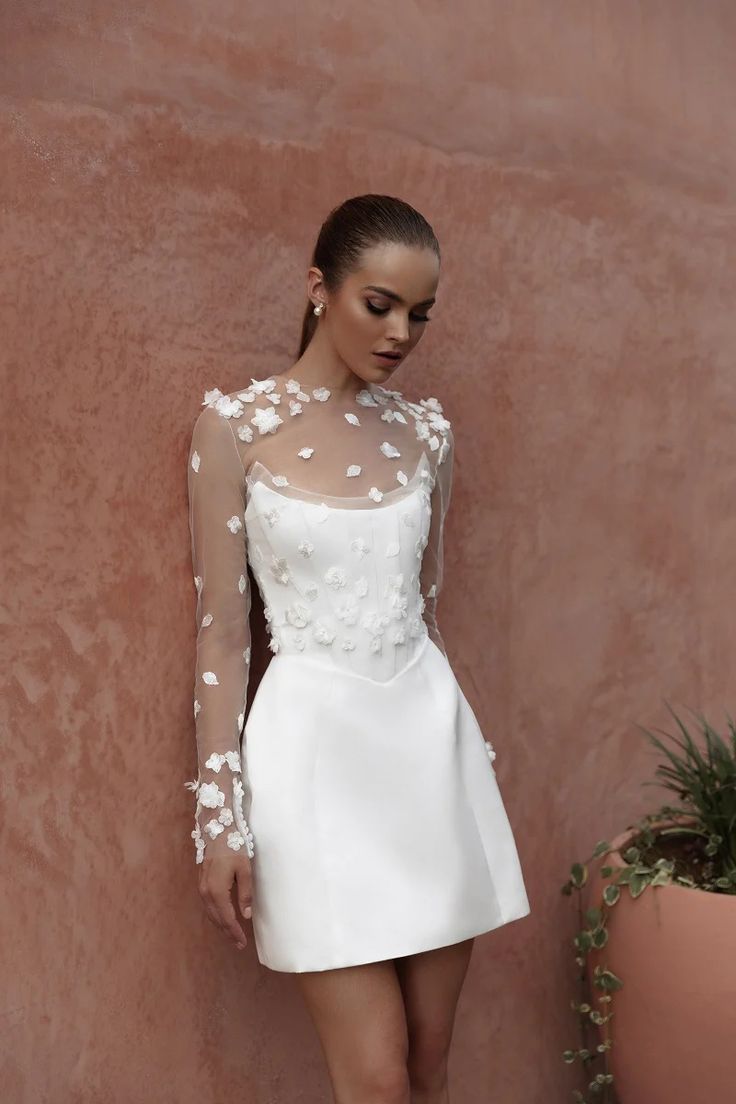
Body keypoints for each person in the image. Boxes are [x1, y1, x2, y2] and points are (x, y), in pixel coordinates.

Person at [185, 194, 531, 1103]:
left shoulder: (428, 435)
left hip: (426, 751)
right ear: (318, 288)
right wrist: (220, 814)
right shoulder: (235, 429)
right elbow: (223, 629)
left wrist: (465, 751)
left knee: (428, 1061)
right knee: (375, 1080)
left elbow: (424, 602)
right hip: (311, 762)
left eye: (418, 313)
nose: (400, 332)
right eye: (379, 304)